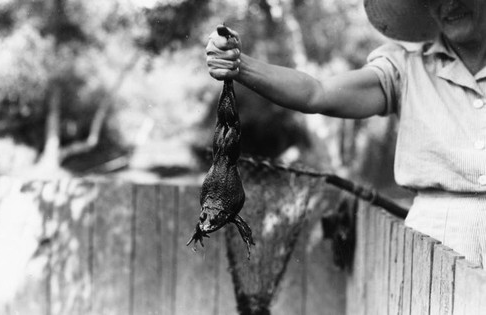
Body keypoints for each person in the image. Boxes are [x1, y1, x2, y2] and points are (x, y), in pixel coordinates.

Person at [205, 0, 486, 268]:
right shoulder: (405, 68)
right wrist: (239, 64)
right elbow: (317, 93)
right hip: (435, 247)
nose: (449, 3)